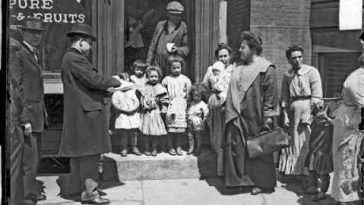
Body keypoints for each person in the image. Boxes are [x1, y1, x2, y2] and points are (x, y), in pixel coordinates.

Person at [59, 23, 121, 204]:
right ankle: (91, 193)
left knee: (80, 153)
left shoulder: (69, 58)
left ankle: (77, 190)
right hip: (87, 113)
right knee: (90, 154)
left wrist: (105, 90)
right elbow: (94, 80)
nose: (90, 47)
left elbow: (85, 85)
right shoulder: (76, 59)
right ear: (80, 42)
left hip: (81, 111)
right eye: (89, 43)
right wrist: (117, 82)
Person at [223, 31, 278, 195]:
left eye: (243, 47)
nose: (239, 50)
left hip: (257, 115)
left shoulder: (266, 68)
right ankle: (240, 180)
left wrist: (268, 117)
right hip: (237, 114)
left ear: (253, 49)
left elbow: (271, 96)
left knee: (260, 148)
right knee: (237, 147)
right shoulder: (238, 67)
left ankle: (263, 183)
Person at [9, 17, 48, 205]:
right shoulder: (19, 54)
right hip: (26, 116)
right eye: (32, 32)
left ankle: (30, 191)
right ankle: (25, 198)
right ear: (23, 33)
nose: (36, 36)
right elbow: (17, 88)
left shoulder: (34, 53)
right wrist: (25, 119)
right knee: (28, 160)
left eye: (39, 32)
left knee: (33, 158)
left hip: (36, 114)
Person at [278, 44, 323, 191]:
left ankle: (309, 177)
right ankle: (296, 173)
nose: (297, 60)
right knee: (294, 142)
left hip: (307, 110)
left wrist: (310, 114)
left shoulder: (312, 72)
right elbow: (284, 98)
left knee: (307, 143)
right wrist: (285, 116)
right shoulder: (287, 75)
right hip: (293, 112)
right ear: (289, 60)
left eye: (299, 57)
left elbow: (317, 96)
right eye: (294, 58)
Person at [331, 56, 364, 205]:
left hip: (354, 120)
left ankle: (350, 196)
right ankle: (342, 199)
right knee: (345, 159)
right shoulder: (356, 78)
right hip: (348, 120)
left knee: (352, 160)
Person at [202, 43, 234, 177]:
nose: (223, 58)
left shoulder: (234, 69)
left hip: (231, 105)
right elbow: (204, 86)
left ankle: (229, 170)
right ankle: (219, 170)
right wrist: (211, 98)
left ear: (230, 56)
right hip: (216, 103)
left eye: (225, 56)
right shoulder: (211, 69)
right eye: (220, 56)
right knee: (218, 134)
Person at [305, 100, 337, 201]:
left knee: (323, 172)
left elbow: (334, 123)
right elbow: (310, 123)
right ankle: (313, 186)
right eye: (316, 116)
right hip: (314, 147)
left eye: (322, 117)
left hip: (324, 150)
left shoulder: (329, 123)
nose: (319, 118)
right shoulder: (314, 121)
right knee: (312, 168)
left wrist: (328, 120)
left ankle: (323, 191)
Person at [146, 1, 189, 76]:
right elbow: (152, 45)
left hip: (172, 65)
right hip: (158, 62)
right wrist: (148, 63)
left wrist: (177, 49)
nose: (176, 17)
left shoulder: (183, 27)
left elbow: (187, 48)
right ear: (168, 14)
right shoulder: (160, 25)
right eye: (173, 15)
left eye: (178, 15)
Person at [139, 66, 169, 156]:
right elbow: (141, 98)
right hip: (146, 112)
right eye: (151, 76)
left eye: (155, 76)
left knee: (155, 131)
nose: (153, 78)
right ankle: (147, 148)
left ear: (159, 77)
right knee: (146, 131)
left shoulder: (160, 88)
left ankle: (154, 148)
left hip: (155, 112)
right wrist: (143, 104)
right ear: (147, 77)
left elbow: (164, 99)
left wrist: (164, 108)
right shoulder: (144, 87)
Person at [111, 72, 142, 157]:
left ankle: (134, 147)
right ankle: (124, 148)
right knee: (123, 133)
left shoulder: (131, 92)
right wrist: (124, 109)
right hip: (123, 115)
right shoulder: (116, 93)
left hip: (132, 114)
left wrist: (133, 109)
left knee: (133, 133)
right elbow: (116, 104)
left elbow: (136, 102)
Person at [187, 84, 209, 155]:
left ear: (201, 96)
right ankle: (191, 148)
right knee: (190, 135)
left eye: (198, 96)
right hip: (190, 120)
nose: (196, 97)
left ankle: (198, 149)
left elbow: (206, 113)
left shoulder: (202, 104)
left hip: (198, 121)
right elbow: (188, 110)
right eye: (194, 95)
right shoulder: (191, 103)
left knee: (198, 136)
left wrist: (204, 120)